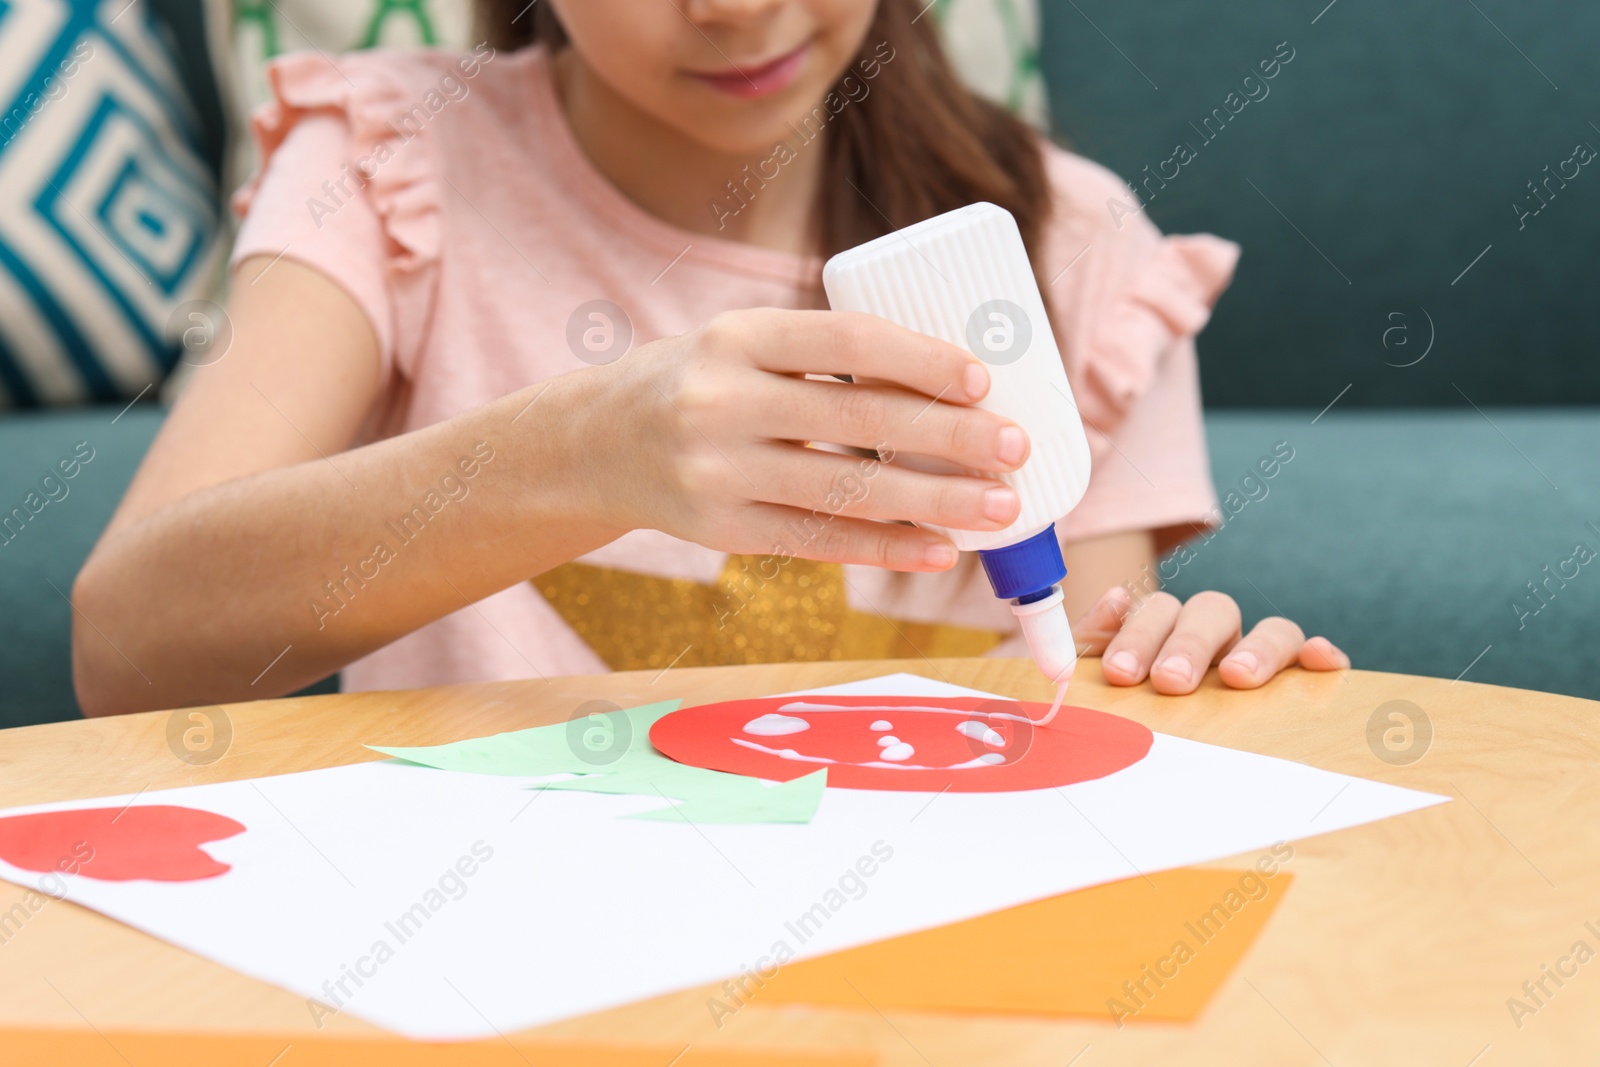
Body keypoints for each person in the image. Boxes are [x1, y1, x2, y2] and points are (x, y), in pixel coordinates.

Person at [71, 0, 1347, 716]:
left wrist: (1175, 669)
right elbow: (128, 647)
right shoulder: (395, 160)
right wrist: (576, 452)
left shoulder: (1072, 247)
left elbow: (1080, 702)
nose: (733, 7)